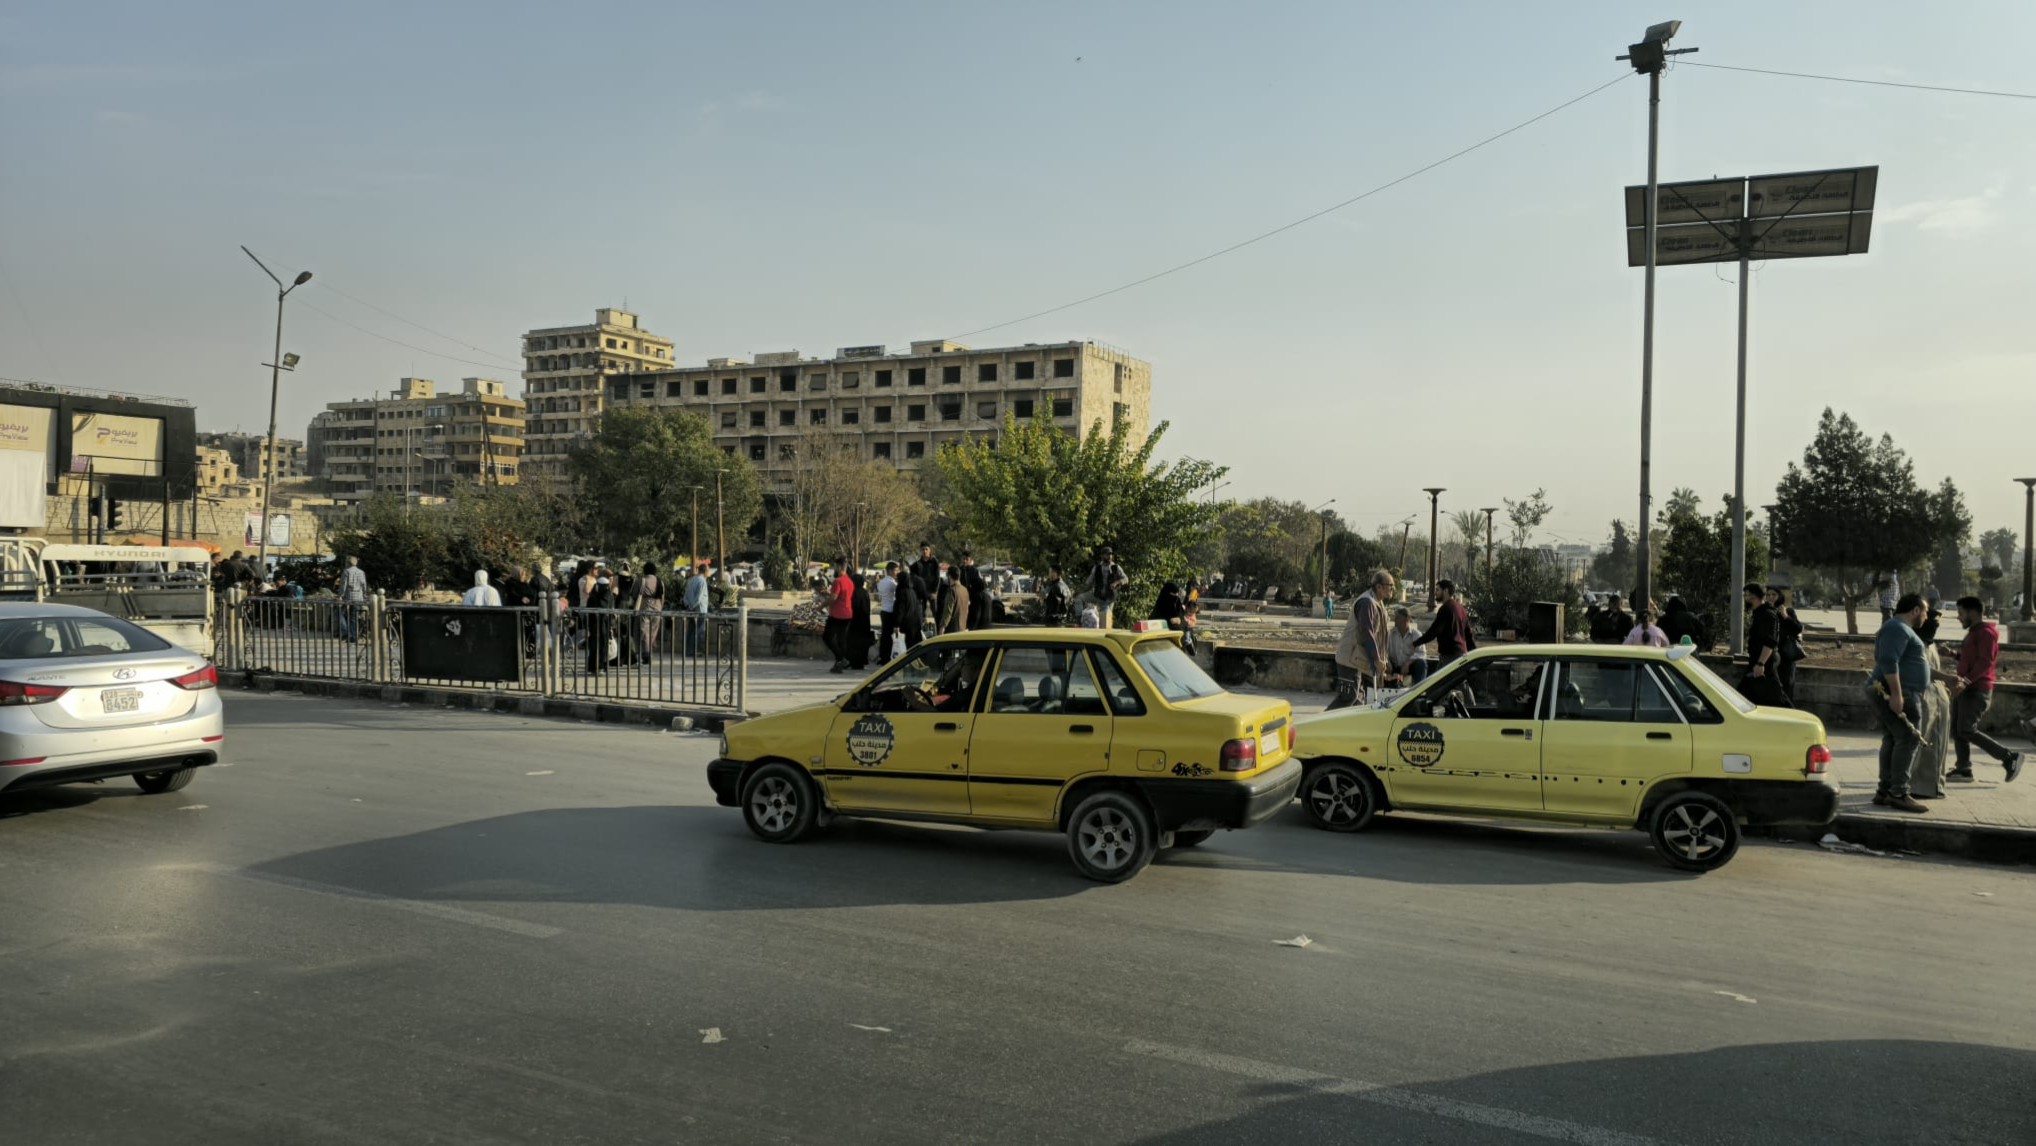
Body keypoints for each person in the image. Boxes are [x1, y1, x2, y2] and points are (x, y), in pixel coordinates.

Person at [1949, 596, 2025, 784]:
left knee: (1967, 729)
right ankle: (1963, 769)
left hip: (1976, 689)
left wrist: (1965, 681)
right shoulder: (1975, 632)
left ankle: (2009, 757)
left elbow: (1985, 663)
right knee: (1958, 731)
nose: (1958, 617)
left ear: (1972, 612)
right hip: (1967, 688)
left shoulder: (1986, 633)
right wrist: (1952, 655)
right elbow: (1972, 660)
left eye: (1961, 613)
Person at [1869, 593, 1932, 813]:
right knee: (1907, 740)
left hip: (1900, 690)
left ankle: (1885, 791)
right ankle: (1898, 793)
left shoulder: (1899, 629)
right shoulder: (1897, 628)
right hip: (1899, 692)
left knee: (1894, 739)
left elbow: (1912, 663)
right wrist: (1897, 694)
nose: (1926, 616)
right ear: (1915, 610)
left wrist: (1947, 678)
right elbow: (1888, 660)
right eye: (1925, 611)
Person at [1910, 608, 1957, 800]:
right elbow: (1922, 669)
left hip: (1939, 699)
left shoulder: (1930, 644)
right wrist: (1947, 678)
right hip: (1923, 697)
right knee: (1920, 742)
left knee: (1938, 744)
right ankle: (1910, 786)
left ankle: (1933, 786)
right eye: (1934, 622)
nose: (1936, 626)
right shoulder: (1913, 642)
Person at [1330, 569, 1394, 709]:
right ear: (1379, 586)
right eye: (1390, 585)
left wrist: (1385, 658)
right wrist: (1377, 658)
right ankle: (1318, 726)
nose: (1392, 589)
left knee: (1358, 703)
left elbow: (1381, 636)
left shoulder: (1379, 603)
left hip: (1360, 658)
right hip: (1350, 657)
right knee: (1348, 696)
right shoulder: (1367, 603)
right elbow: (1367, 633)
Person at [1739, 583, 1790, 707]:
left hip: (1765, 662)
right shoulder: (1759, 613)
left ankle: (1797, 721)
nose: (1745, 598)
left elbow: (1770, 642)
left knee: (1777, 698)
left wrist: (1760, 663)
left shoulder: (1767, 614)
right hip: (1758, 660)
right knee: (1744, 697)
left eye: (1747, 595)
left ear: (1754, 597)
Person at [1411, 579, 1477, 666]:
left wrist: (1416, 643)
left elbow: (1434, 631)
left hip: (1449, 657)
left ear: (1446, 591)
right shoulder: (1461, 609)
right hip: (1461, 654)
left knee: (1439, 679)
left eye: (1438, 590)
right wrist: (1474, 652)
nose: (1435, 593)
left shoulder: (1445, 609)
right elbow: (1468, 634)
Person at [1770, 587, 1805, 702]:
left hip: (1786, 655)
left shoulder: (1788, 611)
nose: (1771, 597)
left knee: (1787, 686)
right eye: (1768, 595)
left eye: (1773, 595)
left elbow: (1798, 629)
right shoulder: (1766, 612)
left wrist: (1785, 616)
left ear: (1779, 596)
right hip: (1769, 655)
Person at [823, 558, 857, 673]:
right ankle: (840, 662)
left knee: (827, 637)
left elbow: (833, 598)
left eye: (835, 566)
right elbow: (841, 596)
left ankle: (841, 659)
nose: (834, 569)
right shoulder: (850, 581)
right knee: (841, 639)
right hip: (847, 613)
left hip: (837, 614)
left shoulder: (838, 581)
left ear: (839, 567)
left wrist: (821, 606)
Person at [1386, 606, 1431, 686]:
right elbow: (1384, 650)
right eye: (1395, 617)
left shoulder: (1416, 634)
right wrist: (1387, 660)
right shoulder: (1391, 634)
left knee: (1422, 664)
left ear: (1407, 619)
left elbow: (1422, 654)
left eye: (1398, 617)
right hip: (1394, 666)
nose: (1395, 620)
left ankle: (1419, 690)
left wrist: (1408, 662)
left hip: (1408, 667)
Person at [1086, 546, 1128, 629]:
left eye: (1111, 554)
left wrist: (1117, 582)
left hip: (1110, 598)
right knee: (1098, 619)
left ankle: (1106, 634)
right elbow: (1089, 582)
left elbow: (1126, 579)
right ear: (1102, 556)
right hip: (1098, 597)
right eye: (1107, 554)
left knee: (1106, 617)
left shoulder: (1116, 567)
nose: (1110, 556)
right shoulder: (1097, 567)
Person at [583, 571, 617, 674]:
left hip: (598, 626)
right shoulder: (608, 596)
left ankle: (596, 667)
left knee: (598, 646)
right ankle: (598, 667)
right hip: (601, 625)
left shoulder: (594, 596)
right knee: (598, 646)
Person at [894, 563, 926, 655]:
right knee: (915, 646)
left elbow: (901, 609)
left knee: (908, 648)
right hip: (915, 622)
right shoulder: (911, 591)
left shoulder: (902, 592)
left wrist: (896, 624)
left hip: (907, 624)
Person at [338, 554, 369, 643]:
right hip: (358, 597)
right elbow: (364, 585)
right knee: (354, 617)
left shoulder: (346, 572)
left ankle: (346, 633)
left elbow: (343, 585)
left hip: (348, 597)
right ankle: (354, 637)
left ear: (348, 563)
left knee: (340, 614)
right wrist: (364, 595)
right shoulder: (361, 572)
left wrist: (340, 595)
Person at [636, 562, 664, 659]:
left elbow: (635, 594)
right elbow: (662, 596)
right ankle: (649, 651)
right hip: (657, 607)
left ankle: (646, 652)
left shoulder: (642, 580)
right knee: (653, 631)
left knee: (644, 630)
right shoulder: (660, 581)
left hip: (645, 606)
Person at [682, 562, 710, 657]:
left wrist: (688, 607)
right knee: (700, 631)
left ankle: (689, 651)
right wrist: (693, 607)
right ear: (705, 571)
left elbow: (685, 597)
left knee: (691, 631)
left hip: (690, 610)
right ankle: (697, 651)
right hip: (700, 610)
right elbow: (699, 598)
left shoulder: (691, 580)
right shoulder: (702, 581)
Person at [848, 574, 875, 671]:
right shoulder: (864, 592)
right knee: (862, 643)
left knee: (854, 643)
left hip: (855, 622)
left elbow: (853, 607)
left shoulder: (853, 593)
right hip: (864, 621)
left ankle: (854, 662)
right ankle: (861, 662)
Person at [876, 563, 900, 663]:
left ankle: (882, 656)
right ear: (890, 571)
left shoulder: (881, 583)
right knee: (889, 636)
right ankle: (887, 657)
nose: (897, 572)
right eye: (896, 570)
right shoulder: (892, 584)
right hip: (890, 611)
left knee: (884, 635)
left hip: (884, 610)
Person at [960, 553, 991, 632]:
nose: (964, 561)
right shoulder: (961, 571)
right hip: (968, 598)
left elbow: (979, 584)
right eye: (963, 559)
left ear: (970, 561)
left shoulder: (974, 571)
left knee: (976, 621)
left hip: (974, 599)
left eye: (966, 559)